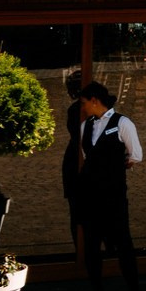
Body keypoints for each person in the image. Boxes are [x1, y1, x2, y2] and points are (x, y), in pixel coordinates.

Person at [74, 81, 146, 291]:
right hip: (89, 194)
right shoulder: (85, 126)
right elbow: (87, 156)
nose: (83, 107)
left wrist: (115, 166)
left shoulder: (123, 123)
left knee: (123, 243)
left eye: (85, 103)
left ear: (95, 101)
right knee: (91, 245)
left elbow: (136, 154)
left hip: (113, 194)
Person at [59, 69, 90, 258]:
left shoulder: (77, 109)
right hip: (78, 163)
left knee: (79, 211)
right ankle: (84, 253)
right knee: (79, 211)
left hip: (75, 162)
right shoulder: (78, 111)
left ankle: (84, 251)